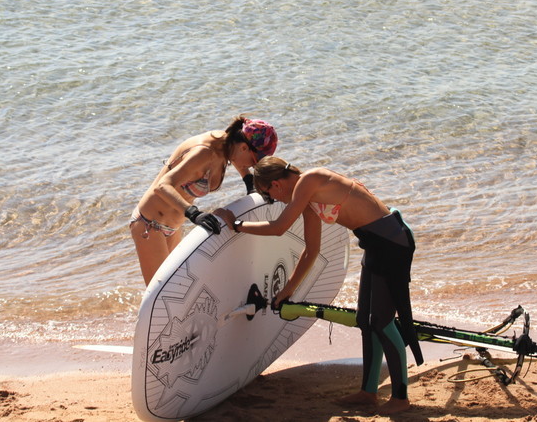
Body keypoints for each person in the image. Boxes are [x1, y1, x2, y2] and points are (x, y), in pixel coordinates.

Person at [216, 157, 423, 415]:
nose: (275, 200)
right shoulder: (307, 199)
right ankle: (368, 393)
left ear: (276, 184)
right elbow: (311, 251)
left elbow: (279, 227)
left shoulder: (311, 180)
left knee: (382, 321)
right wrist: (288, 289)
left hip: (391, 242)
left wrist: (236, 225)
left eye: (269, 193)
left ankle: (401, 398)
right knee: (366, 320)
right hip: (374, 245)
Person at [130, 116, 277, 285]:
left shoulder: (227, 144)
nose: (251, 166)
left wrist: (251, 185)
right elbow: (162, 186)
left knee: (177, 288)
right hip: (149, 225)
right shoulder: (204, 152)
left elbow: (238, 159)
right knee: (160, 292)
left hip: (174, 227)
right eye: (254, 161)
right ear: (244, 147)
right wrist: (194, 214)